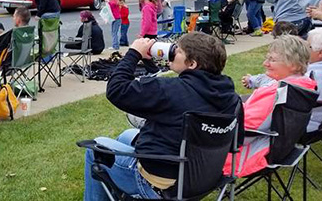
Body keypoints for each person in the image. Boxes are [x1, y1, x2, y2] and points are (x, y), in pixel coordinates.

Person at [84, 33, 240, 200]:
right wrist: (149, 63)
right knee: (126, 135)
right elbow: (237, 142)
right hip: (201, 179)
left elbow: (116, 89)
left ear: (193, 63)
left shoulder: (172, 91)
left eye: (178, 51)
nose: (172, 51)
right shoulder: (231, 98)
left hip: (159, 185)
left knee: (95, 148)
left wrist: (134, 53)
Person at [224, 35, 316, 177]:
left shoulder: (277, 92)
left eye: (272, 60)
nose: (265, 63)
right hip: (278, 149)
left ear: (294, 64)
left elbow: (245, 131)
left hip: (243, 154)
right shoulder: (302, 87)